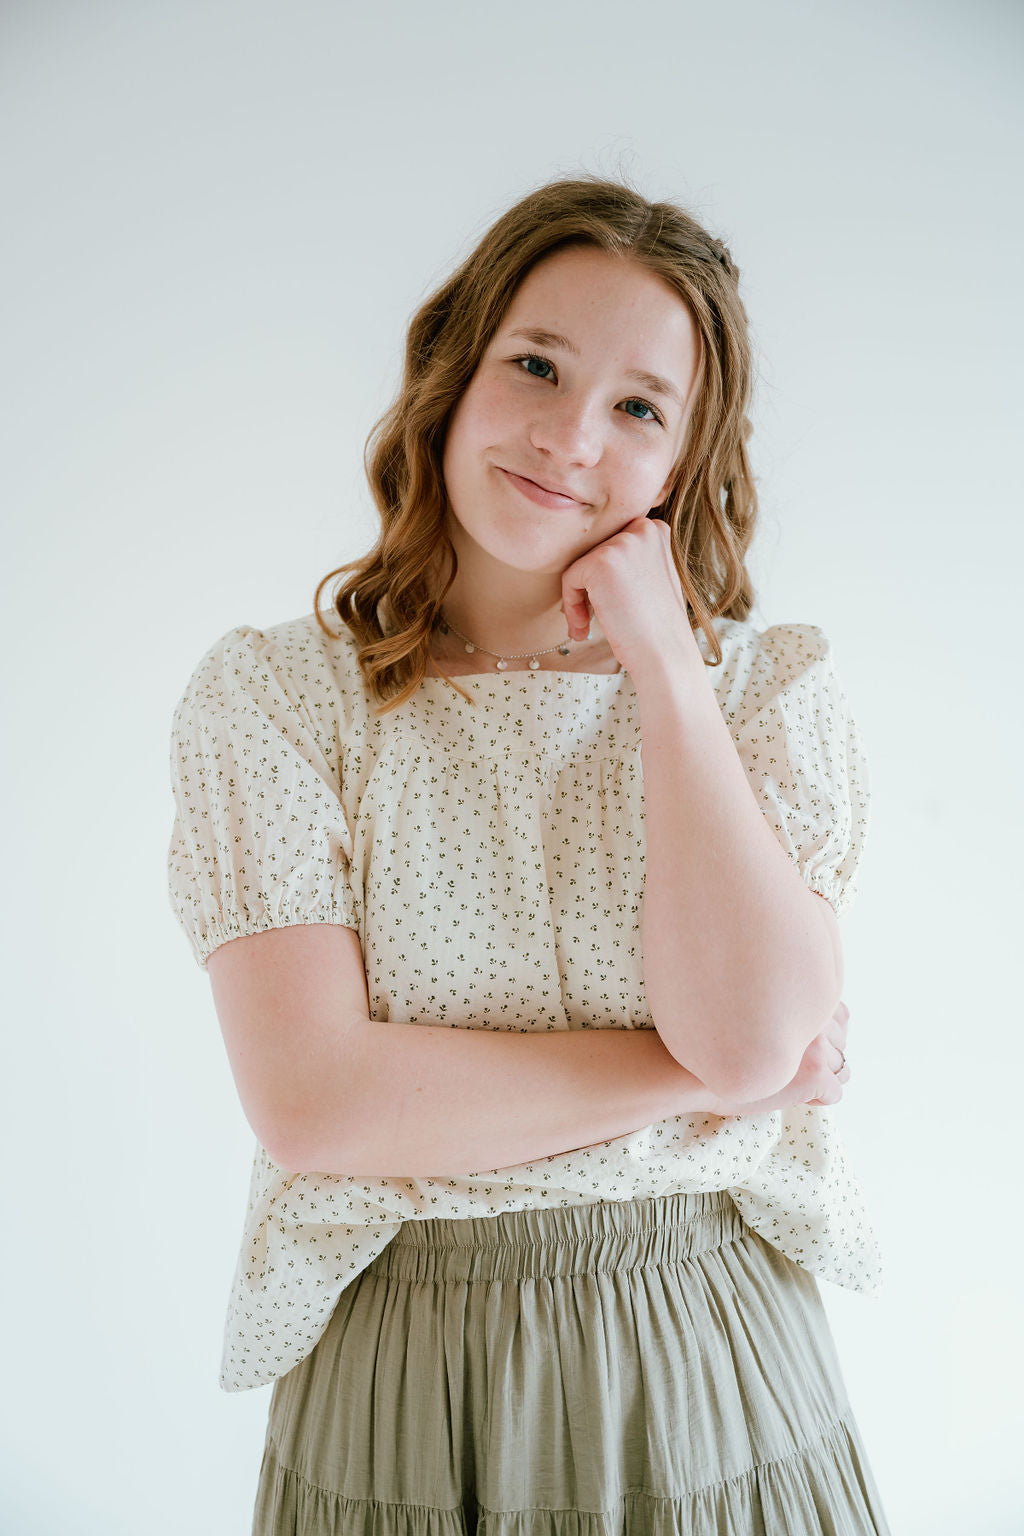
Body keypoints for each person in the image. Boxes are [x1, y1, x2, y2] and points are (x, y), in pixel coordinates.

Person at [167, 173, 891, 1535]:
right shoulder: (275, 701)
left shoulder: (764, 695)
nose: (570, 436)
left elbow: (750, 1037)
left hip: (706, 1355)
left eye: (640, 408)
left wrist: (665, 665)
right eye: (537, 366)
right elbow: (317, 1105)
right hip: (399, 1367)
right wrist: (700, 1081)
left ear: (685, 461)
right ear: (454, 372)